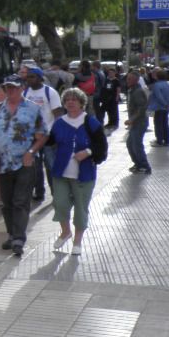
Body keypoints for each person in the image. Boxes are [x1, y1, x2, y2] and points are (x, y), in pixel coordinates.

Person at [0, 74, 45, 257]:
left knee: (20, 201)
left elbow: (43, 135)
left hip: (25, 163)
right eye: (7, 88)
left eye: (14, 88)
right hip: (4, 164)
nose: (10, 91)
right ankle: (11, 235)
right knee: (7, 203)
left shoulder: (34, 109)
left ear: (22, 88)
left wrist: (31, 152)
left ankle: (19, 238)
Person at [49, 88, 106, 256]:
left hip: (84, 175)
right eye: (67, 100)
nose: (71, 102)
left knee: (81, 208)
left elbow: (101, 146)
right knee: (60, 204)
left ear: (82, 103)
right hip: (61, 173)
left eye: (74, 100)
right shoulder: (59, 122)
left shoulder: (91, 122)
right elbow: (49, 141)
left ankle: (77, 241)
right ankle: (65, 232)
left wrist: (88, 152)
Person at [22, 67, 62, 201]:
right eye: (28, 77)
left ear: (40, 78)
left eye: (32, 77)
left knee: (51, 165)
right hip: (32, 136)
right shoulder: (25, 92)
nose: (29, 79)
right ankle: (39, 193)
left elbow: (58, 114)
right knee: (35, 167)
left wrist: (55, 132)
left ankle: (56, 193)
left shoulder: (50, 92)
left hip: (48, 135)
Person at [125, 70, 151, 174]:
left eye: (129, 79)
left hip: (139, 123)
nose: (127, 80)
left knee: (136, 144)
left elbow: (142, 108)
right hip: (135, 123)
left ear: (136, 80)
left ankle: (144, 166)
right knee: (130, 143)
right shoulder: (132, 90)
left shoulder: (138, 92)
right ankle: (138, 164)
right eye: (127, 78)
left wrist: (132, 119)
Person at [148, 69, 169, 147]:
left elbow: (159, 96)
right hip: (166, 108)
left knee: (158, 124)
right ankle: (167, 140)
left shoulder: (157, 85)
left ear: (157, 76)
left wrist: (165, 104)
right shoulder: (168, 84)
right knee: (165, 123)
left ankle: (159, 141)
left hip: (159, 107)